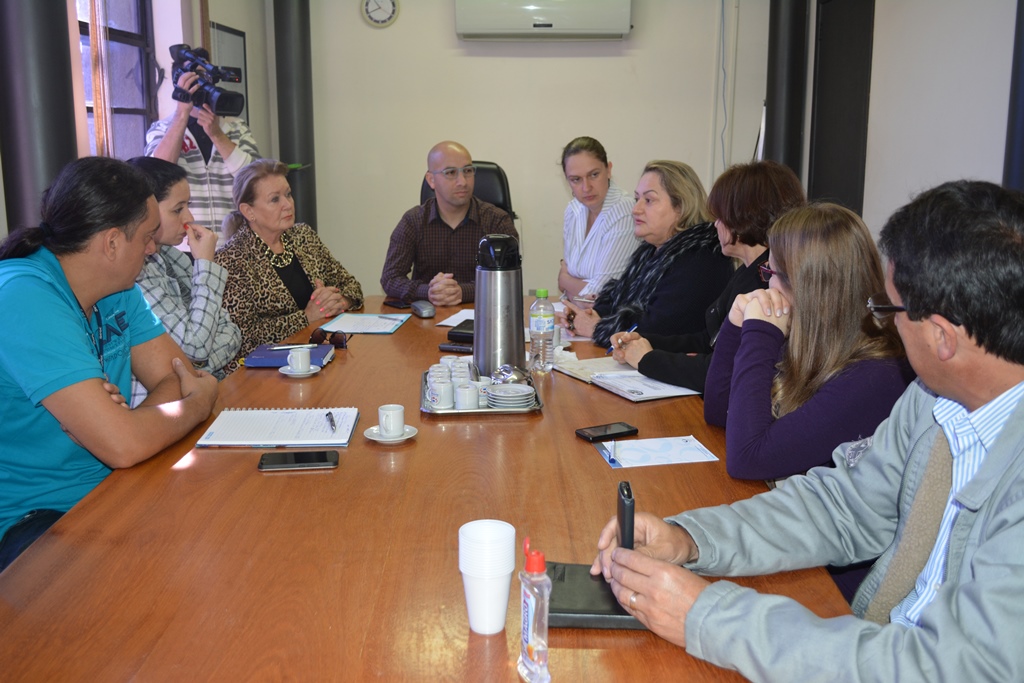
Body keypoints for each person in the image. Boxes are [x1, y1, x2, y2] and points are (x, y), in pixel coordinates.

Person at [591, 180, 1024, 681]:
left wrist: (707, 615)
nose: (883, 324)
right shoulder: (930, 401)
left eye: (890, 310)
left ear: (942, 337)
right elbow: (842, 506)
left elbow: (950, 669)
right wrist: (691, 538)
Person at [0, 157, 219, 571]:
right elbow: (127, 442)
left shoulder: (118, 288)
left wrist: (129, 425)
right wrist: (195, 404)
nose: (155, 248)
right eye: (148, 236)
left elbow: (177, 374)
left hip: (117, 488)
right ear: (113, 243)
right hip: (35, 519)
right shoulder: (23, 296)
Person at [704, 203, 915, 599]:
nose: (767, 287)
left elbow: (748, 456)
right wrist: (735, 328)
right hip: (792, 537)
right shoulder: (808, 340)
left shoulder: (874, 376)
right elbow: (719, 410)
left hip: (832, 578)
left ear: (811, 287)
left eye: (774, 274)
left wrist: (759, 336)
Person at [610, 160, 805, 393]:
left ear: (744, 218)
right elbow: (709, 341)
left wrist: (648, 359)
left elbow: (723, 369)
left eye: (721, 217)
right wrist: (645, 340)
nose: (715, 225)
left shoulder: (765, 283)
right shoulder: (747, 271)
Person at [557, 160, 734, 348]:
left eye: (648, 200)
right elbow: (620, 297)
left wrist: (597, 328)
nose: (636, 209)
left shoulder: (701, 259)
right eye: (636, 199)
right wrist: (594, 315)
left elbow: (658, 328)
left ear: (681, 207)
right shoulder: (651, 251)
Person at [216, 159, 363, 369]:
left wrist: (338, 301)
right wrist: (307, 316)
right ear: (249, 211)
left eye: (288, 194)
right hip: (262, 373)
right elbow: (244, 337)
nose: (288, 204)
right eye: (275, 199)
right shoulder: (230, 259)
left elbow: (352, 285)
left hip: (316, 357)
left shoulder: (303, 236)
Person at [126, 156, 241, 405]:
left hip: (204, 395)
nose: (188, 217)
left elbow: (232, 332)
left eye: (187, 205)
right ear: (146, 211)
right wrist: (205, 266)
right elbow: (196, 347)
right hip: (168, 410)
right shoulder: (135, 273)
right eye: (178, 209)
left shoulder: (171, 256)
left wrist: (195, 365)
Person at [379, 141, 518, 306]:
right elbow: (390, 278)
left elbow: (508, 280)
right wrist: (428, 291)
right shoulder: (413, 221)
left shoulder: (497, 221)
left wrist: (462, 291)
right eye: (451, 172)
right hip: (426, 321)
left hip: (483, 317)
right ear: (431, 180)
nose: (462, 181)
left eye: (467, 171)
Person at [145, 48, 260, 237]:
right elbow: (156, 175)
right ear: (179, 83)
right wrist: (182, 114)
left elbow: (255, 180)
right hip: (184, 243)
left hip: (233, 243)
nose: (202, 84)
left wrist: (217, 134)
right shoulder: (161, 130)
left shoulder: (237, 129)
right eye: (195, 78)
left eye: (207, 76)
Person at [557, 136, 640, 303]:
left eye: (594, 174)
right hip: (574, 317)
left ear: (608, 170)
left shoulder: (624, 211)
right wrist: (575, 286)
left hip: (612, 323)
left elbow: (601, 294)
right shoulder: (573, 210)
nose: (586, 187)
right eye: (576, 179)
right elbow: (569, 291)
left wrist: (565, 280)